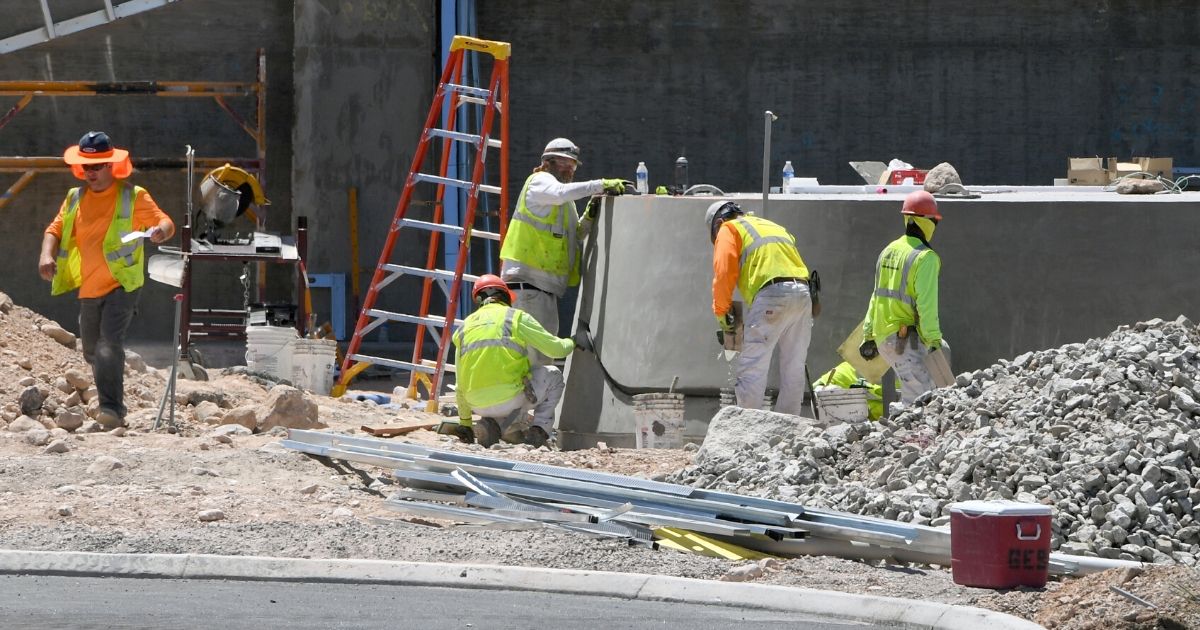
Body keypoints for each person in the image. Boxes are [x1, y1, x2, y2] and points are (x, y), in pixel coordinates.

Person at [38, 131, 175, 428]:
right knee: (91, 348)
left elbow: (164, 222)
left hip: (122, 285)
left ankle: (112, 409)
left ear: (111, 165)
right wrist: (45, 255)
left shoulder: (133, 196)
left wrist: (160, 232)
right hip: (89, 286)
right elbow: (55, 229)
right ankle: (109, 392)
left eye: (98, 166)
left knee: (108, 343)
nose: (91, 172)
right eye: (87, 166)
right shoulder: (74, 198)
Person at [498, 137, 627, 364]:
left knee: (541, 361)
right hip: (527, 288)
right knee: (534, 364)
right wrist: (600, 185)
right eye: (564, 163)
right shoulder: (539, 182)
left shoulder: (564, 203)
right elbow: (560, 192)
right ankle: (525, 401)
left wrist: (589, 216)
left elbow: (574, 234)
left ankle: (530, 400)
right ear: (547, 162)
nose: (569, 168)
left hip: (542, 292)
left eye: (573, 165)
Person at [452, 274, 588, 448]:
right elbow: (557, 349)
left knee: (500, 391)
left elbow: (459, 384)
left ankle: (496, 427)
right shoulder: (514, 317)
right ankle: (539, 430)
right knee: (553, 376)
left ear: (478, 300)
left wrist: (465, 423)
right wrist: (575, 341)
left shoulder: (464, 327)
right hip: (510, 398)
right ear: (506, 296)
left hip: (476, 403)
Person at [707, 201, 814, 416]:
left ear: (718, 223)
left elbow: (724, 272)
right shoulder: (772, 226)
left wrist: (722, 311)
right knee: (793, 366)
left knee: (753, 366)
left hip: (772, 295)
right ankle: (790, 426)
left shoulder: (729, 228)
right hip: (803, 294)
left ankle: (748, 425)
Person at [858, 190, 944, 405]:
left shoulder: (888, 250)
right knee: (921, 399)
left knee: (917, 393)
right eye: (934, 220)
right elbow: (927, 304)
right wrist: (933, 341)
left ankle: (905, 435)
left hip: (884, 337)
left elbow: (876, 296)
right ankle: (912, 438)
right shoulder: (925, 258)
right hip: (904, 340)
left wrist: (868, 334)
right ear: (926, 222)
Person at [814, 361, 884, 421]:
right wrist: (824, 390)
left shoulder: (893, 374)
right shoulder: (849, 368)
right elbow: (817, 388)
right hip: (842, 427)